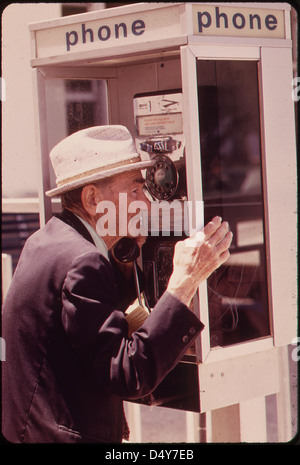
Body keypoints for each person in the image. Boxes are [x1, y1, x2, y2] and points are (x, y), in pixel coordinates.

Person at [2, 125, 232, 443]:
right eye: (136, 191)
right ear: (93, 198)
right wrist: (185, 281)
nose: (147, 205)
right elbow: (128, 374)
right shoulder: (83, 260)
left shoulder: (49, 240)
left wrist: (123, 261)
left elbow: (90, 333)